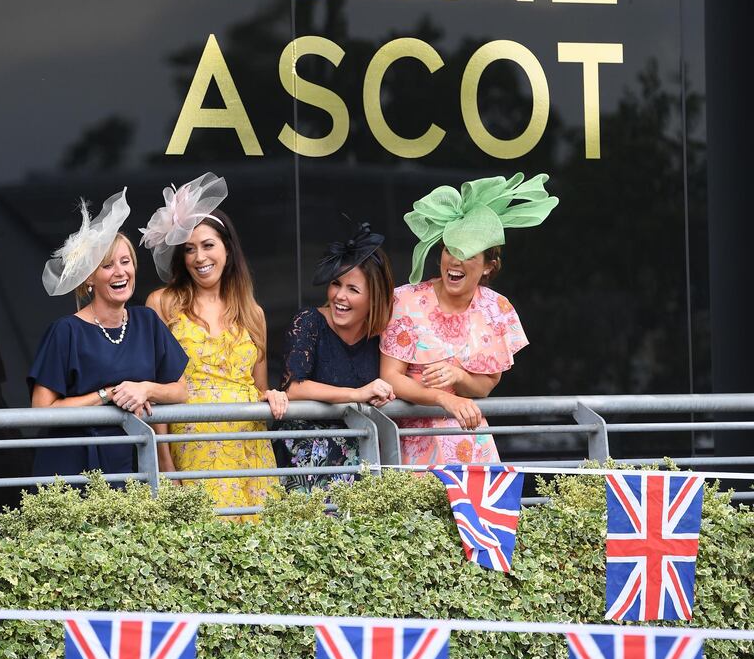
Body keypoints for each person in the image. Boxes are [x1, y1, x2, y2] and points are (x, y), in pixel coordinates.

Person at [380, 173, 558, 467]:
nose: (455, 261)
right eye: (450, 248)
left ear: (489, 266)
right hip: (413, 447)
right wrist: (443, 398)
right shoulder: (405, 300)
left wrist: (459, 377)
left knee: (479, 513)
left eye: (469, 254)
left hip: (471, 444)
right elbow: (390, 377)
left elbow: (485, 386)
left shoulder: (497, 308)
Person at [142, 172, 288, 519]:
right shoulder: (162, 303)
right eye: (189, 249)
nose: (198, 257)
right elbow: (157, 390)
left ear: (227, 248)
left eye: (208, 245)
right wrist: (166, 464)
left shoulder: (253, 312)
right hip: (190, 447)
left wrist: (270, 396)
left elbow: (258, 386)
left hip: (249, 449)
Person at [28, 188, 189, 481]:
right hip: (75, 465)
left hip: (132, 462)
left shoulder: (147, 321)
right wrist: (107, 395)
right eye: (107, 265)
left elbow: (180, 390)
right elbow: (41, 409)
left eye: (126, 262)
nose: (120, 272)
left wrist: (144, 389)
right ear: (89, 277)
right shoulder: (65, 331)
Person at [277, 222, 396, 492]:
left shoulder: (380, 335)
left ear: (374, 296)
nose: (339, 296)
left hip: (361, 453)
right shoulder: (309, 321)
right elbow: (294, 387)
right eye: (335, 284)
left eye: (353, 289)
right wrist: (358, 393)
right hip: (306, 456)